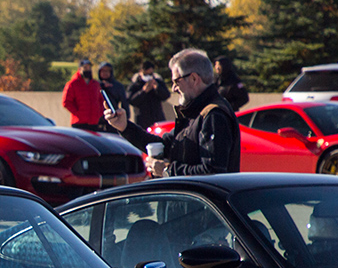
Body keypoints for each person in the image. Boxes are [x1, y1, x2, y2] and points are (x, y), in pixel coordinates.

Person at [105, 47, 240, 176]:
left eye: (176, 81)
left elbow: (212, 171)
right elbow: (164, 145)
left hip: (205, 200)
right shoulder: (195, 111)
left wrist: (167, 170)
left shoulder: (214, 115)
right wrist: (124, 127)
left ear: (194, 78)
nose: (174, 88)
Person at [126, 59, 172, 128]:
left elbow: (166, 95)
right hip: (142, 120)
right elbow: (131, 100)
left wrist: (157, 88)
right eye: (146, 74)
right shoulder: (135, 84)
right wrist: (143, 91)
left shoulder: (157, 81)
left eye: (150, 74)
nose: (148, 76)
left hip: (157, 117)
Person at [62, 58, 104, 131]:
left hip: (94, 122)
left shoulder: (95, 84)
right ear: (80, 69)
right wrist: (78, 113)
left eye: (89, 68)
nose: (87, 70)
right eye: (85, 68)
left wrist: (98, 114)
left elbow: (101, 100)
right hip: (79, 123)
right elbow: (66, 102)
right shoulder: (72, 84)